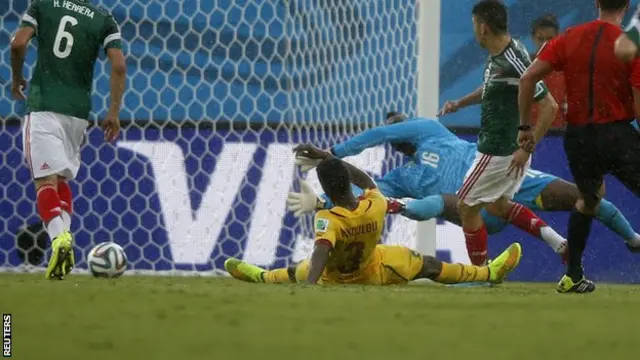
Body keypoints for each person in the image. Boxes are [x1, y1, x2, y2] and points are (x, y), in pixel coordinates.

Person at [287, 113, 640, 259]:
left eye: (401, 123)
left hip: (501, 178)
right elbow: (361, 198)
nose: (398, 130)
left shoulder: (429, 129)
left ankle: (633, 239)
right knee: (427, 203)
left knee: (584, 196)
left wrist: (331, 152)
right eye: (397, 128)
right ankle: (480, 272)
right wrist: (319, 202)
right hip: (473, 211)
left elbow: (381, 132)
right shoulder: (401, 177)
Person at [225, 144, 523, 286]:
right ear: (346, 181)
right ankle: (488, 272)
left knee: (295, 271)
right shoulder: (375, 203)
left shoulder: (327, 219)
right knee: (428, 265)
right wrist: (329, 157)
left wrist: (310, 285)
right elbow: (365, 181)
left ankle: (261, 276)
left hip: (332, 279)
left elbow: (320, 251)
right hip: (375, 270)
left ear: (326, 189)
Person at [519, 0, 640, 293]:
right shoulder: (629, 45)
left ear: (596, 3)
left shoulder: (570, 37)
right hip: (616, 134)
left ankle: (573, 274)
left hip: (578, 138)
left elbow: (527, 78)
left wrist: (525, 128)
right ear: (626, 6)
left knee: (588, 200)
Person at [11, 0, 126, 279]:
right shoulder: (104, 18)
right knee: (61, 180)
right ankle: (64, 241)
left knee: (45, 181)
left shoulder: (42, 5)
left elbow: (18, 44)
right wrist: (113, 111)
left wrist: (16, 77)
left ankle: (59, 240)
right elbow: (119, 66)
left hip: (43, 105)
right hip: (77, 114)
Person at [438, 1, 558, 266]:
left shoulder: (515, 60)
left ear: (483, 28)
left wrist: (526, 148)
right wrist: (460, 103)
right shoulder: (501, 56)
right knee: (497, 207)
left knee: (465, 206)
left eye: (474, 26)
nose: (474, 32)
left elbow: (550, 106)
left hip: (499, 151)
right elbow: (492, 87)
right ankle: (559, 244)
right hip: (503, 149)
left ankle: (480, 273)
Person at [530, 14, 566, 129]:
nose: (545, 43)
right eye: (540, 39)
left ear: (557, 38)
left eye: (550, 38)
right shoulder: (522, 66)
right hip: (528, 135)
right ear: (533, 38)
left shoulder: (567, 68)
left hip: (557, 135)